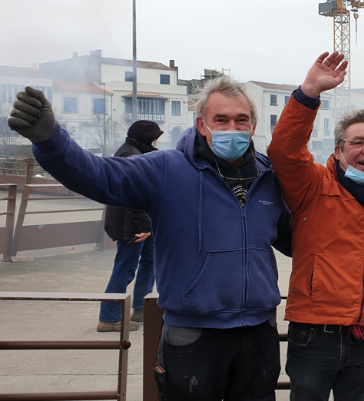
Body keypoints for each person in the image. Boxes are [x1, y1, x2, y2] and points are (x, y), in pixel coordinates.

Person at [7, 77, 292, 400]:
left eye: (241, 120)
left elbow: (295, 238)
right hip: (193, 334)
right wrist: (51, 140)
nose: (232, 128)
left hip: (258, 332)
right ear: (201, 124)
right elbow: (100, 175)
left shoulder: (268, 176)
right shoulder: (166, 169)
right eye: (221, 120)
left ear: (253, 126)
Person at [267, 51, 364, 401]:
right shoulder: (312, 186)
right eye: (358, 142)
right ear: (338, 149)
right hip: (313, 333)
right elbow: (285, 151)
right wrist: (308, 93)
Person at [98, 120, 163, 332]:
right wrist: (145, 226)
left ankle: (142, 308)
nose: (156, 142)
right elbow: (132, 195)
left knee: (150, 263)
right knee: (125, 269)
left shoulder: (134, 152)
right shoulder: (132, 156)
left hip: (142, 222)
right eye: (154, 138)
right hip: (132, 224)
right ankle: (109, 318)